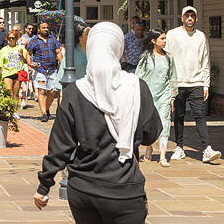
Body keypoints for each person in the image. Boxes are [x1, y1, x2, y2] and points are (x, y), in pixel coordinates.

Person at [34, 22, 162, 224]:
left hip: (83, 189)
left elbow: (61, 145)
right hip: (124, 188)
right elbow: (150, 134)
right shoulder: (136, 87)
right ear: (119, 48)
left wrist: (44, 186)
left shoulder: (75, 92)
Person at [165, 6, 221, 163]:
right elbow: (167, 59)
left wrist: (206, 85)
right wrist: (169, 83)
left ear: (196, 19)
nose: (189, 18)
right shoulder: (172, 35)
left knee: (199, 115)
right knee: (178, 116)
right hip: (178, 82)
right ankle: (179, 147)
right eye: (186, 15)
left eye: (192, 16)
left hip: (196, 82)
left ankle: (207, 148)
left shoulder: (201, 37)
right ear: (182, 18)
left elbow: (205, 61)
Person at [137, 28, 178, 166]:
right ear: (153, 40)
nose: (165, 41)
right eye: (162, 38)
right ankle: (148, 148)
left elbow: (172, 77)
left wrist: (173, 96)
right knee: (148, 123)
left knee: (164, 122)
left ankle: (162, 156)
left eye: (165, 38)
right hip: (148, 95)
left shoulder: (169, 57)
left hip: (164, 95)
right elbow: (138, 77)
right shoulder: (145, 57)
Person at [26, 21, 61, 122]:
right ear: (39, 29)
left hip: (52, 69)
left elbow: (58, 52)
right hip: (40, 69)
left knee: (52, 91)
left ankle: (46, 108)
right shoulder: (34, 41)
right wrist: (30, 63)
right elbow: (28, 53)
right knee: (42, 91)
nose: (46, 29)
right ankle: (44, 114)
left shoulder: (53, 40)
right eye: (43, 28)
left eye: (47, 27)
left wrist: (62, 64)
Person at [0, 30, 30, 98]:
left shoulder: (21, 48)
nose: (11, 39)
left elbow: (26, 62)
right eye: (9, 38)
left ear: (16, 38)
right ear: (7, 39)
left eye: (13, 37)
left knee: (16, 94)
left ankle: (15, 108)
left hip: (18, 73)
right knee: (8, 93)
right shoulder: (3, 50)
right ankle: (9, 108)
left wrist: (22, 55)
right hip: (7, 73)